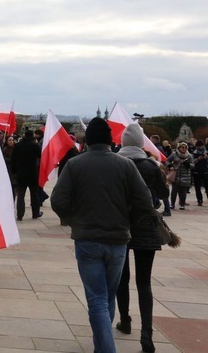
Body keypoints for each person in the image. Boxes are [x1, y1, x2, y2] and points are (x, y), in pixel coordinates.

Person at [51, 117, 154, 353]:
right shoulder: (125, 165)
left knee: (98, 297)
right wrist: (128, 219)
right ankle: (103, 345)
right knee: (106, 296)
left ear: (87, 141)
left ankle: (105, 348)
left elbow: (58, 200)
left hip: (87, 238)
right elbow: (145, 201)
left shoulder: (75, 165)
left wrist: (73, 219)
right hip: (117, 239)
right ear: (110, 141)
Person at [115, 123, 169, 353]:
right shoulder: (150, 165)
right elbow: (165, 193)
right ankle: (147, 332)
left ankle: (125, 320)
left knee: (122, 278)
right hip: (146, 225)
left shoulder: (116, 163)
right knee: (144, 282)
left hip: (122, 224)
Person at [11, 130, 42, 220]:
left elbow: (13, 160)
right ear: (32, 136)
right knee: (34, 194)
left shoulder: (17, 146)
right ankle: (35, 213)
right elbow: (40, 155)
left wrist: (14, 172)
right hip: (32, 173)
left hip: (21, 173)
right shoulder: (34, 145)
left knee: (21, 195)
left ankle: (20, 215)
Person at [166, 142, 194, 210]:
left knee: (183, 192)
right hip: (176, 174)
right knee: (174, 191)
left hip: (185, 175)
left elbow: (193, 165)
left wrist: (188, 165)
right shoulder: (174, 154)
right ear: (179, 148)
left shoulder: (189, 156)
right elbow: (167, 161)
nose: (184, 149)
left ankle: (182, 204)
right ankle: (172, 204)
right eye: (182, 147)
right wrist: (170, 165)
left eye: (185, 147)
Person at [192, 140, 208, 206]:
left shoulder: (206, 152)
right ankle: (199, 200)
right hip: (196, 172)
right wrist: (198, 159)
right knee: (197, 187)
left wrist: (206, 157)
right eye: (199, 146)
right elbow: (192, 162)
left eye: (201, 146)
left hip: (205, 171)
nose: (200, 148)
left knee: (207, 186)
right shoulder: (194, 153)